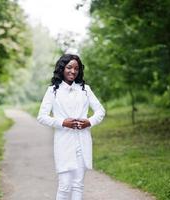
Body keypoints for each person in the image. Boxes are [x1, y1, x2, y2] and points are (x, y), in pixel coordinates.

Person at [37, 54, 105, 200]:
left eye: (76, 68)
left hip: (82, 141)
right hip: (64, 142)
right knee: (65, 185)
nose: (73, 71)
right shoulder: (53, 91)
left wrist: (89, 121)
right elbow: (42, 116)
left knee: (78, 184)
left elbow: (100, 111)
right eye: (69, 67)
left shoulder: (84, 89)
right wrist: (62, 122)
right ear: (62, 68)